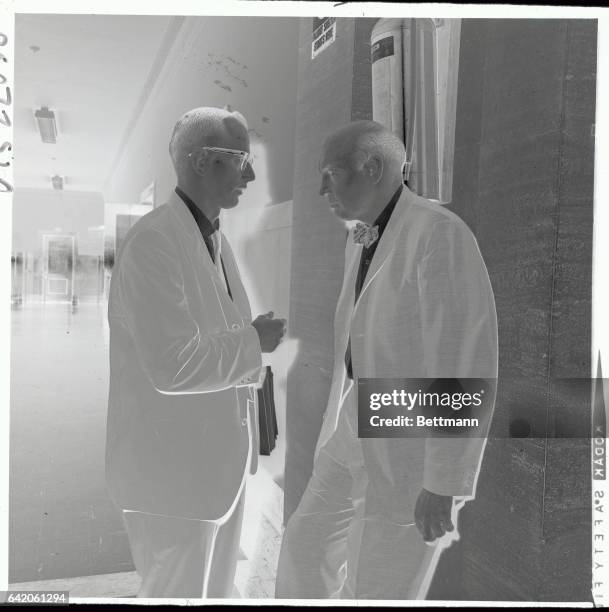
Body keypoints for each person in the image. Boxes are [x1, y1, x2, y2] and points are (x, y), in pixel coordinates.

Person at [275, 120, 497, 600]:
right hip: (359, 418)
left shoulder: (438, 234)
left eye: (330, 174)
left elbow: (463, 361)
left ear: (373, 167)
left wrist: (442, 480)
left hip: (412, 440)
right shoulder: (364, 237)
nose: (320, 189)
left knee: (380, 583)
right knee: (305, 541)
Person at [105, 106, 286, 598]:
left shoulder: (213, 237)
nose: (250, 174)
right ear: (203, 161)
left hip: (214, 470)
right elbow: (172, 364)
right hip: (170, 480)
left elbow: (214, 330)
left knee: (212, 593)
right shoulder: (155, 243)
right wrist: (253, 342)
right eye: (241, 159)